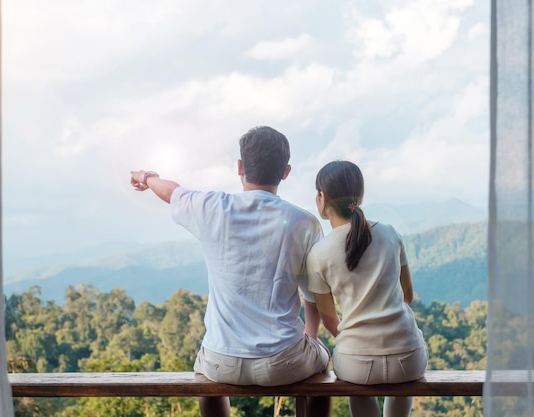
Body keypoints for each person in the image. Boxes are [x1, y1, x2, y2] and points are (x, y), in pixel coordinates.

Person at [130, 126, 331, 417]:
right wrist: (310, 339)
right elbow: (313, 296)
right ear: (286, 172)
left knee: (205, 375)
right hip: (284, 360)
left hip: (221, 359)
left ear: (240, 167)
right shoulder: (305, 223)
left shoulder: (212, 208)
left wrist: (146, 178)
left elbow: (172, 192)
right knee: (323, 363)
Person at [306, 160, 428, 417]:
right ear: (359, 196)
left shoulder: (319, 253)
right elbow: (407, 296)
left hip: (356, 362)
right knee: (401, 378)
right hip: (408, 357)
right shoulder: (390, 233)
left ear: (322, 197)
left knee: (354, 378)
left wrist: (359, 342)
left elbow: (330, 321)